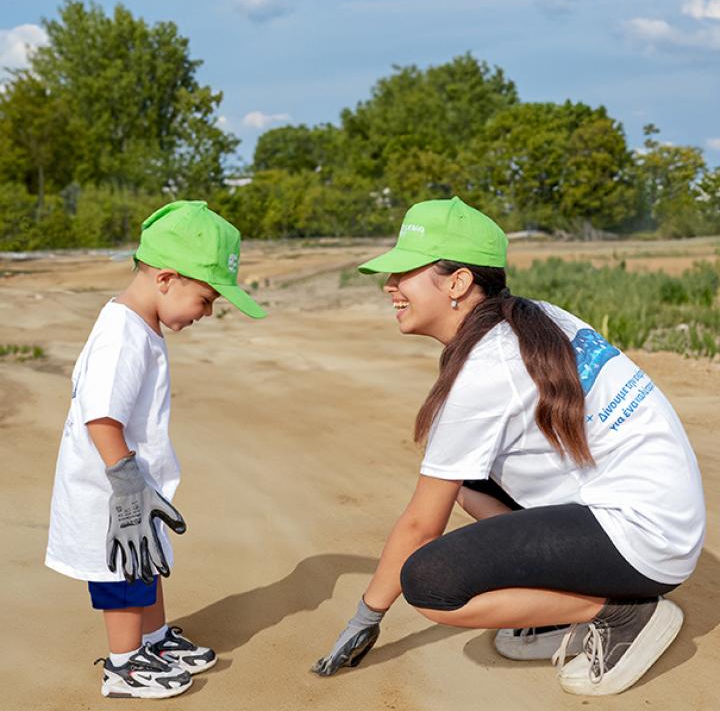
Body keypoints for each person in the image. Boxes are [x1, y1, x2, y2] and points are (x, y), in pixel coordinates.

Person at [311, 196, 705, 696]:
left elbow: (420, 524)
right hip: (666, 513)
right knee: (463, 476)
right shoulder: (535, 319)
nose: (389, 285)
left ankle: (618, 612)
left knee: (430, 584)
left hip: (644, 539)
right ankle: (566, 597)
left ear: (457, 282)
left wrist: (367, 615)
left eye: (404, 272)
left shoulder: (484, 371)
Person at [45, 200, 266, 699]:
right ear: (167, 279)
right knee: (123, 574)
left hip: (133, 485)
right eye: (207, 299)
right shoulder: (122, 334)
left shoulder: (141, 327)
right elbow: (100, 414)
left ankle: (154, 639)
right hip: (111, 490)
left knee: (147, 560)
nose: (207, 313)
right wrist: (125, 484)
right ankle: (123, 665)